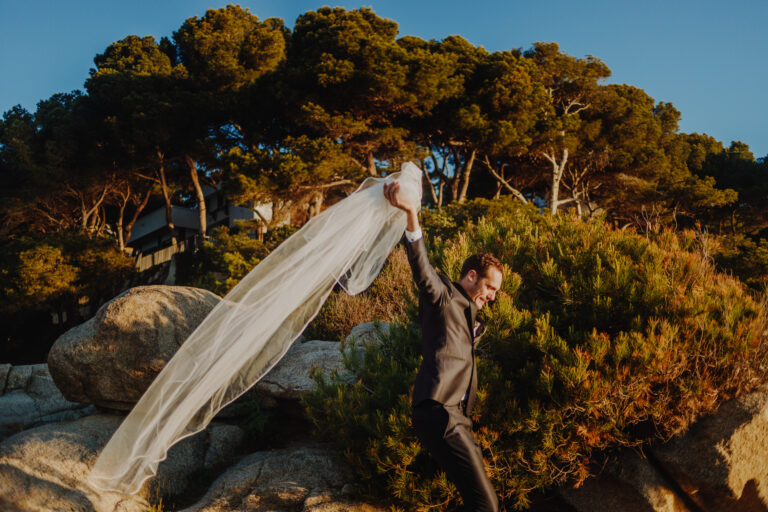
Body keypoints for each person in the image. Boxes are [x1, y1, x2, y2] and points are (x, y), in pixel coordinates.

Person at [383, 180, 503, 512]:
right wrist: (411, 214)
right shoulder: (445, 296)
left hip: (456, 417)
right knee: (486, 507)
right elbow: (422, 270)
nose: (492, 296)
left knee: (474, 502)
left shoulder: (472, 315)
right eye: (490, 287)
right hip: (440, 412)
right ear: (471, 275)